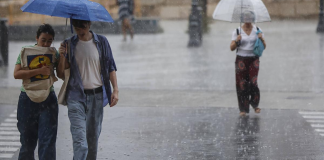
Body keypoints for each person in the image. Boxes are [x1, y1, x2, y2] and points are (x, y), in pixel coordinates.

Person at [58, 19, 119, 160]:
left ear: (89, 24)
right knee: (81, 143)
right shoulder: (69, 44)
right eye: (77, 27)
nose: (80, 30)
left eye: (83, 27)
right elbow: (61, 74)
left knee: (92, 143)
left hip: (97, 97)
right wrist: (62, 55)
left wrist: (115, 89)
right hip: (75, 97)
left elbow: (111, 67)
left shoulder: (102, 42)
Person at [13, 24, 60, 160]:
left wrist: (62, 56)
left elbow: (62, 74)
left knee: (48, 142)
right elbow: (16, 74)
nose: (46, 44)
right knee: (27, 143)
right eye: (43, 40)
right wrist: (39, 71)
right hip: (27, 98)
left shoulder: (53, 53)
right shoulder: (25, 51)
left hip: (48, 98)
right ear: (36, 38)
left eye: (50, 40)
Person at [230, 11, 267, 116]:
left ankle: (255, 104)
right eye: (246, 18)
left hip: (254, 59)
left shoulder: (258, 30)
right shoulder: (237, 31)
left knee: (253, 82)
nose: (248, 20)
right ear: (242, 19)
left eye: (250, 18)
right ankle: (243, 109)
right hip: (241, 59)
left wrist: (261, 38)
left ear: (253, 19)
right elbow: (231, 48)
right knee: (242, 84)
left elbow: (264, 47)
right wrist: (237, 41)